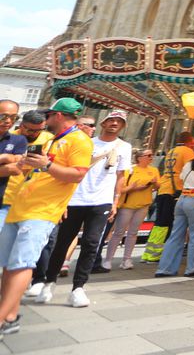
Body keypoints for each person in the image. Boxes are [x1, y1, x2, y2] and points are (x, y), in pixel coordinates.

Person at [0, 97, 92, 340]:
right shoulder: (52, 140)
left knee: (21, 263)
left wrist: (47, 165)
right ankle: (10, 316)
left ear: (58, 115)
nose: (45, 120)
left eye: (48, 115)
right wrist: (27, 163)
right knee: (9, 265)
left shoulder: (80, 141)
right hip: (22, 205)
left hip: (43, 210)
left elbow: (76, 175)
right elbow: (39, 169)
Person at [36, 109, 131, 305]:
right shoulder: (86, 142)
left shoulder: (125, 147)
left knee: (91, 244)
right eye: (111, 120)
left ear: (123, 126)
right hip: (75, 198)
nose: (114, 124)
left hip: (101, 200)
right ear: (103, 123)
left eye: (119, 122)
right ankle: (49, 282)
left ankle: (78, 287)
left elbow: (121, 176)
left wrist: (115, 201)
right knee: (62, 242)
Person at [155, 141, 194, 277]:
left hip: (182, 198)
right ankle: (192, 268)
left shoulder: (189, 164)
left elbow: (183, 179)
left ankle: (165, 268)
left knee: (176, 234)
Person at [106, 147, 159, 269]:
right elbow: (120, 188)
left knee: (133, 232)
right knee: (119, 232)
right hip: (127, 205)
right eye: (148, 155)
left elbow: (156, 187)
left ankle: (127, 259)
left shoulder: (154, 170)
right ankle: (108, 259)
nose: (151, 157)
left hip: (143, 204)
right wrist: (134, 188)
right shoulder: (130, 170)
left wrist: (154, 183)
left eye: (152, 155)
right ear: (140, 158)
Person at [155, 132, 194, 237]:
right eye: (193, 144)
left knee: (160, 223)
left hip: (163, 188)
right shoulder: (187, 151)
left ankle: (154, 249)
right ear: (188, 142)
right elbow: (192, 170)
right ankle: (168, 250)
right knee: (173, 224)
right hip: (176, 191)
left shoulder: (171, 151)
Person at [0, 101, 29, 228]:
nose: (8, 121)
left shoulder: (18, 140)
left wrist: (6, 157)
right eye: (3, 116)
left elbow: (16, 169)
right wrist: (5, 158)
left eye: (13, 117)